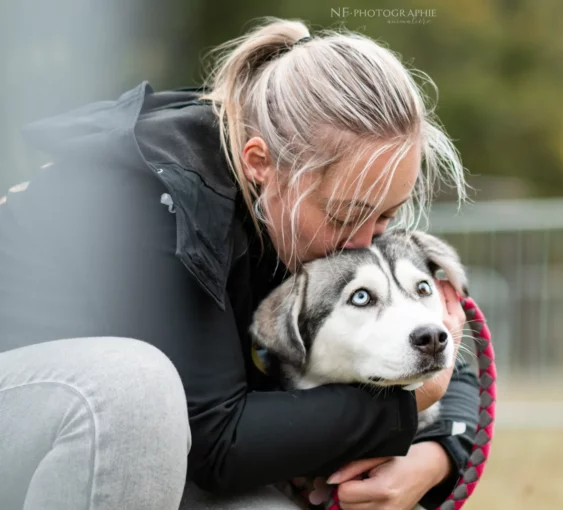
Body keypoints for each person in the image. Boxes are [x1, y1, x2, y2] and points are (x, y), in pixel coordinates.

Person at [0, 17, 480, 510]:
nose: (361, 244)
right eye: (345, 215)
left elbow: (434, 341)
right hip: (39, 411)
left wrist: (436, 453)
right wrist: (409, 404)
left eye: (385, 218)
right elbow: (216, 438)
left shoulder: (303, 207)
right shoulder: (159, 198)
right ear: (259, 162)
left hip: (143, 455)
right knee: (132, 389)